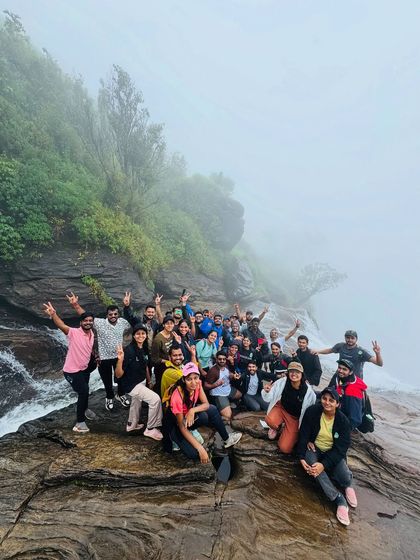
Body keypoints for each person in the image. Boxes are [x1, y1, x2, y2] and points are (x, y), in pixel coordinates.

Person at [297, 387, 357, 527]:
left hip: (333, 452)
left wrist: (323, 464)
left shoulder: (343, 422)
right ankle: (338, 499)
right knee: (313, 468)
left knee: (343, 477)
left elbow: (341, 449)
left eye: (331, 400)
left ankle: (348, 485)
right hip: (315, 448)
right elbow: (303, 434)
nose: (327, 403)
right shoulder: (312, 412)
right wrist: (301, 457)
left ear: (337, 404)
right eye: (324, 398)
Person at [66, 291, 131, 411]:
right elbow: (85, 316)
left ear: (118, 314)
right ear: (107, 315)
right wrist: (75, 305)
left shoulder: (123, 322)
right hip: (104, 358)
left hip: (118, 356)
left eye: (115, 314)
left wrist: (127, 306)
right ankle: (109, 397)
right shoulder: (100, 323)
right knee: (107, 380)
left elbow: (133, 321)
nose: (113, 316)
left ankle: (121, 394)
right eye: (110, 314)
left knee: (121, 378)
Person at [162, 366, 243, 462]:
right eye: (189, 379)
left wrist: (192, 410)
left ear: (199, 377)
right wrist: (200, 448)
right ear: (184, 379)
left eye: (195, 378)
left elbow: (206, 404)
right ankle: (175, 439)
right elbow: (181, 426)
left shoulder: (198, 384)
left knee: (211, 410)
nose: (193, 382)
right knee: (193, 454)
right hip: (175, 424)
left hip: (187, 416)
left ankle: (227, 439)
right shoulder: (178, 396)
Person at [43, 302, 96, 433]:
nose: (88, 322)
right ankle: (79, 423)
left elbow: (88, 349)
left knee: (86, 389)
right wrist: (53, 314)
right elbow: (61, 325)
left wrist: (95, 357)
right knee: (83, 392)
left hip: (84, 369)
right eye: (85, 321)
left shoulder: (92, 334)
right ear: (81, 322)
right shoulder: (73, 333)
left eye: (90, 321)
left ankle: (84, 409)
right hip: (72, 371)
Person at [115, 326, 163, 440]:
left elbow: (145, 365)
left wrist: (149, 381)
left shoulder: (144, 348)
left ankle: (132, 425)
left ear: (146, 335)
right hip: (131, 384)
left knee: (136, 402)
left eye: (143, 333)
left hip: (140, 381)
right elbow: (118, 375)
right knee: (155, 400)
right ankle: (151, 429)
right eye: (138, 334)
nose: (140, 336)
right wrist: (120, 360)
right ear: (133, 336)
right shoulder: (129, 351)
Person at [262, 362, 316, 453]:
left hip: (295, 418)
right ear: (288, 372)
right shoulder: (282, 381)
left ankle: (287, 433)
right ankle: (276, 427)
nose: (294, 374)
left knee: (285, 448)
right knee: (269, 420)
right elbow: (269, 397)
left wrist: (306, 435)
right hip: (281, 408)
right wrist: (267, 391)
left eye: (297, 372)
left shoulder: (309, 392)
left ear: (302, 374)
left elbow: (310, 414)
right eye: (291, 371)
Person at [312, 330, 383, 379]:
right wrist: (318, 352)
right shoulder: (340, 346)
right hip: (340, 375)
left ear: (356, 339)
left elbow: (379, 363)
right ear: (345, 338)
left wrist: (378, 353)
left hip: (354, 380)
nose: (350, 340)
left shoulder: (361, 352)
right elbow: (330, 350)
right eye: (348, 338)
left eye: (352, 338)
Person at [328, 359, 368, 429]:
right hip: (339, 407)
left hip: (345, 420)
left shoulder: (353, 390)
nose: (340, 371)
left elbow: (355, 419)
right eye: (339, 368)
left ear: (350, 372)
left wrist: (342, 431)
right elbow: (328, 391)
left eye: (344, 369)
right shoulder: (339, 377)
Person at [205, 352, 242, 421]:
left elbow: (228, 374)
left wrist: (233, 376)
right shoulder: (213, 371)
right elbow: (205, 386)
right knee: (228, 416)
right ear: (216, 359)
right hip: (219, 394)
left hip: (227, 389)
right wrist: (215, 385)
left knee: (240, 395)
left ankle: (227, 403)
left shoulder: (226, 366)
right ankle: (216, 412)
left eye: (224, 359)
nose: (222, 361)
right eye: (220, 359)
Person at [151, 315, 175, 395]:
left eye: (171, 323)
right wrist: (167, 361)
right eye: (167, 323)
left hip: (170, 366)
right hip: (161, 367)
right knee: (160, 387)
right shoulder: (158, 339)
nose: (169, 325)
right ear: (163, 325)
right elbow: (154, 358)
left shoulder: (172, 334)